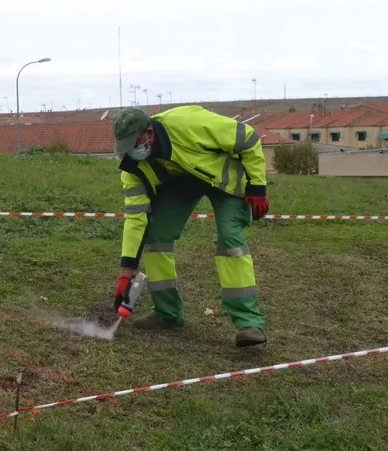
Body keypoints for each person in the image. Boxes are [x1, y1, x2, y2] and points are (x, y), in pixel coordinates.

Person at [111, 105, 270, 347]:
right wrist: (126, 271)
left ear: (149, 132)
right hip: (181, 184)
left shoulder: (187, 123)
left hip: (224, 180)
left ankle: (249, 323)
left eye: (136, 142)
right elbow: (136, 218)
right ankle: (167, 314)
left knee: (230, 239)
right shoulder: (132, 168)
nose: (133, 151)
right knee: (156, 236)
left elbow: (248, 138)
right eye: (127, 146)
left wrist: (257, 186)